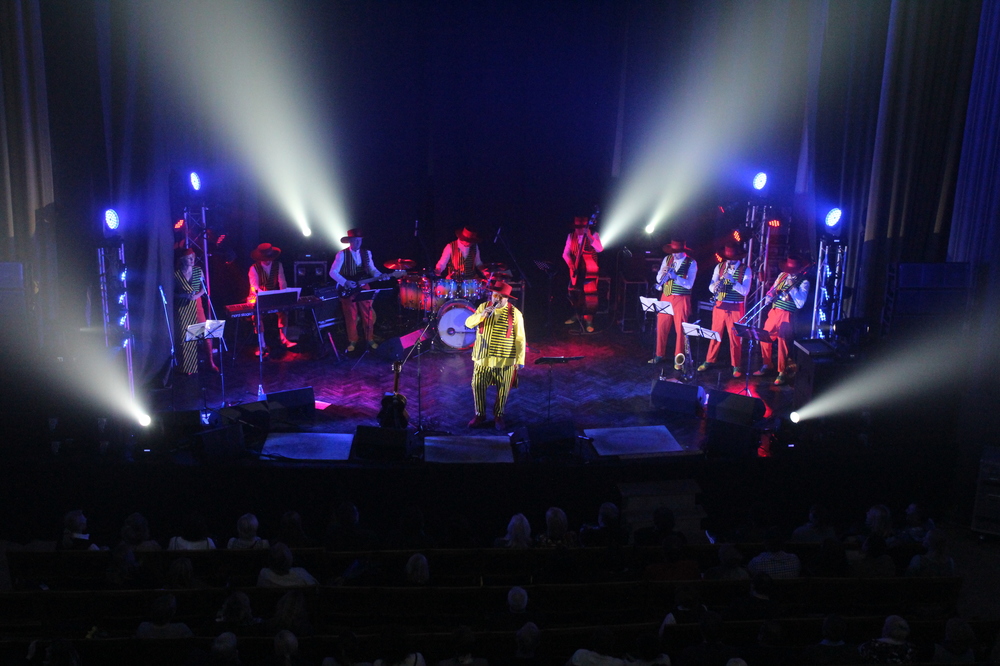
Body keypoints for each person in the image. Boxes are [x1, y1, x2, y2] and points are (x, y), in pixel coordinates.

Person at [464, 281, 526, 431]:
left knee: (503, 389)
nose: (497, 299)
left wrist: (520, 359)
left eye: (501, 297)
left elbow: (520, 338)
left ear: (507, 298)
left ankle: (498, 415)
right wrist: (481, 315)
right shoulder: (483, 307)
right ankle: (480, 415)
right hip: (482, 358)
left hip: (505, 360)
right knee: (477, 386)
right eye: (495, 295)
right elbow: (468, 323)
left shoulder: (515, 314)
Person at [329, 228, 391, 352]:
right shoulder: (341, 254)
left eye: (360, 240)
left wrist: (380, 275)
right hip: (348, 287)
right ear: (350, 241)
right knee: (350, 315)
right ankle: (353, 340)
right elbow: (333, 272)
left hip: (363, 285)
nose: (358, 243)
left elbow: (372, 269)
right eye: (355, 240)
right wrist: (345, 282)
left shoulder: (367, 253)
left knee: (368, 313)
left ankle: (369, 338)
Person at [754, 255, 810, 385]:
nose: (789, 273)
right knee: (764, 338)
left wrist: (792, 287)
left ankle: (782, 372)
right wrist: (769, 295)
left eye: (792, 270)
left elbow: (800, 303)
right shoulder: (782, 275)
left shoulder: (804, 282)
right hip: (774, 312)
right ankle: (767, 364)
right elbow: (774, 289)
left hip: (787, 315)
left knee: (783, 345)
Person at [698, 243, 751, 378]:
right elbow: (711, 285)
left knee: (735, 337)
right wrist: (715, 286)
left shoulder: (746, 270)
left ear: (738, 258)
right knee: (715, 334)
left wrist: (732, 281)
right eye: (727, 258)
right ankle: (709, 359)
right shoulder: (719, 266)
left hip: (736, 307)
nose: (728, 262)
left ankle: (736, 365)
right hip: (720, 305)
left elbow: (745, 291)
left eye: (731, 259)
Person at [649, 240, 698, 368]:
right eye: (673, 252)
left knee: (680, 330)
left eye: (677, 252)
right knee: (661, 326)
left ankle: (678, 359)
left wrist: (675, 277)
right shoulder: (667, 259)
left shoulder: (691, 263)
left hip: (681, 298)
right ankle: (659, 354)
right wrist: (663, 274)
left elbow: (689, 284)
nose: (674, 255)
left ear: (683, 251)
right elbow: (658, 278)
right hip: (666, 296)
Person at [174, 248, 219, 374]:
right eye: (189, 258)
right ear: (182, 260)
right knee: (188, 336)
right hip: (183, 307)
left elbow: (204, 288)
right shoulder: (176, 274)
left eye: (193, 257)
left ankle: (211, 362)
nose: (192, 260)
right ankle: (189, 366)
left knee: (205, 334)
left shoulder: (198, 271)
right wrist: (184, 296)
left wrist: (197, 295)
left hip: (197, 305)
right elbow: (172, 293)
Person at [247, 242, 296, 350]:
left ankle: (284, 338)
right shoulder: (254, 268)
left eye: (269, 258)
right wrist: (265, 296)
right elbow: (254, 287)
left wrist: (284, 295)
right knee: (257, 316)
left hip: (272, 294)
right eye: (265, 258)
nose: (267, 261)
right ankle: (262, 344)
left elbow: (282, 282)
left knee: (284, 310)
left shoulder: (278, 265)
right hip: (257, 296)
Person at [562, 216, 604, 332]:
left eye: (581, 227)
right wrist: (571, 264)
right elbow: (565, 253)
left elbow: (600, 249)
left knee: (589, 297)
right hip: (576, 271)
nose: (578, 230)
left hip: (589, 272)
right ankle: (577, 315)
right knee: (574, 294)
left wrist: (589, 237)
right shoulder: (571, 236)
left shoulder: (594, 235)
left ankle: (589, 321)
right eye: (577, 227)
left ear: (586, 227)